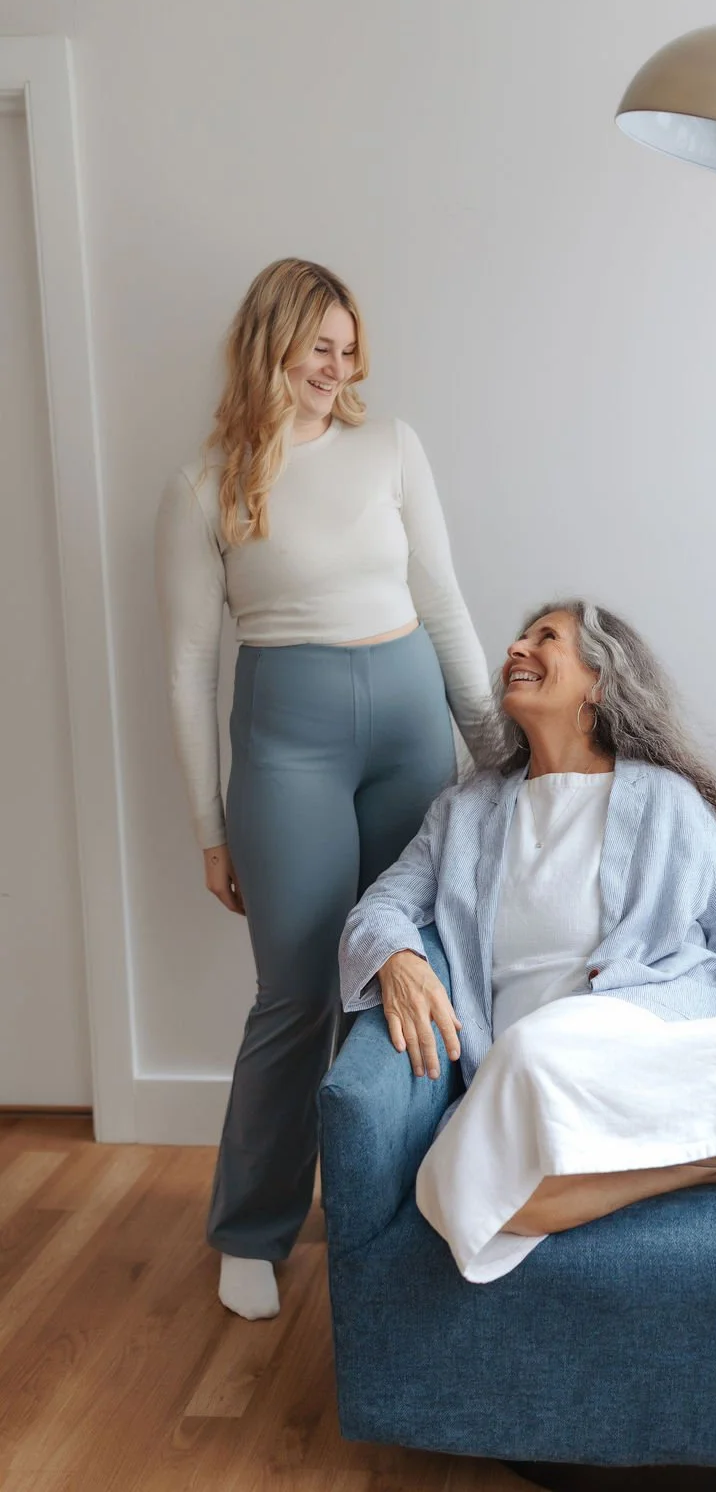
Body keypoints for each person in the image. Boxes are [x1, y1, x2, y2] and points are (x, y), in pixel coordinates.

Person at [338, 600, 716, 1283]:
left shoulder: (664, 799)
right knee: (459, 1196)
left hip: (647, 1036)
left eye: (547, 639)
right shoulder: (464, 814)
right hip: (527, 1074)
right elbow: (379, 908)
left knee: (533, 1051)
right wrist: (397, 957)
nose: (517, 648)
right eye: (520, 637)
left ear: (598, 681)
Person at [156, 257, 491, 1318]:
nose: (338, 368)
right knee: (298, 993)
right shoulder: (206, 484)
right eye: (320, 348)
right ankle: (251, 1229)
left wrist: (496, 756)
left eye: (350, 351)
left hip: (406, 728)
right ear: (273, 345)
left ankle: (395, 1209)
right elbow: (185, 667)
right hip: (284, 745)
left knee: (405, 978)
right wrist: (208, 828)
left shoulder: (392, 449)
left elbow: (442, 604)